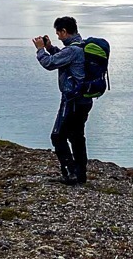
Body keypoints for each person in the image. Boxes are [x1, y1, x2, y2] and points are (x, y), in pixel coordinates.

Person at [32, 16, 93, 185]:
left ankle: (72, 174)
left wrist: (40, 50)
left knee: (58, 136)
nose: (58, 36)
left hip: (72, 100)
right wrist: (51, 47)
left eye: (58, 33)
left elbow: (50, 64)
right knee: (76, 136)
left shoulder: (72, 50)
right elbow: (63, 57)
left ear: (64, 31)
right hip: (84, 100)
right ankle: (80, 175)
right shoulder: (80, 46)